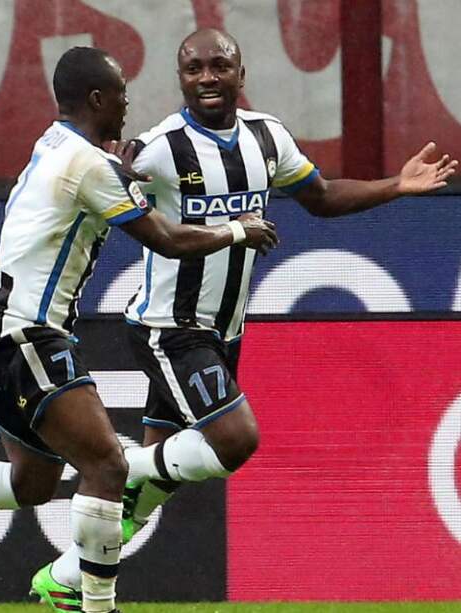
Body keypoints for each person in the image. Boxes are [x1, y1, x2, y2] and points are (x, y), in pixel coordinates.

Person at [30, 28, 458, 609]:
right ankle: (114, 469)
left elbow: (322, 196)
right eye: (193, 69)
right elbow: (103, 181)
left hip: (225, 332)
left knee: (154, 489)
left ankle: (66, 578)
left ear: (240, 74)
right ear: (181, 80)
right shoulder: (159, 148)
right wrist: (112, 174)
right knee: (233, 441)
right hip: (170, 330)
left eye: (218, 66)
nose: (206, 77)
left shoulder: (267, 137)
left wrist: (397, 186)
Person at [0, 46, 279, 613]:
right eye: (121, 95)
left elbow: (96, 189)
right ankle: (97, 604)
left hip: (9, 332)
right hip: (28, 334)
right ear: (97, 99)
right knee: (109, 466)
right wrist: (238, 230)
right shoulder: (88, 165)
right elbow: (168, 239)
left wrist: (122, 173)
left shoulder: (55, 143)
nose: (127, 106)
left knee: (33, 482)